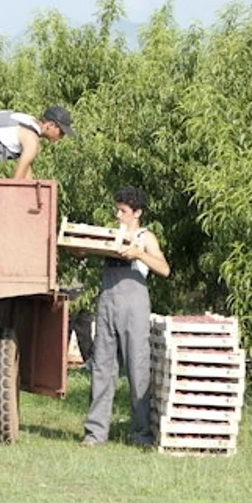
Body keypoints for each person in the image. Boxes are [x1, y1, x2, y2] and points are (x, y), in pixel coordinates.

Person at [81, 187, 170, 448]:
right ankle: (95, 434)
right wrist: (81, 248)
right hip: (107, 303)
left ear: (137, 213)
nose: (117, 215)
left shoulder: (146, 237)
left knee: (137, 368)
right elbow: (85, 250)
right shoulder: (112, 235)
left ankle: (141, 435)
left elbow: (164, 269)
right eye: (117, 209)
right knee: (102, 367)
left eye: (123, 211)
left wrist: (139, 253)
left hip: (134, 307)